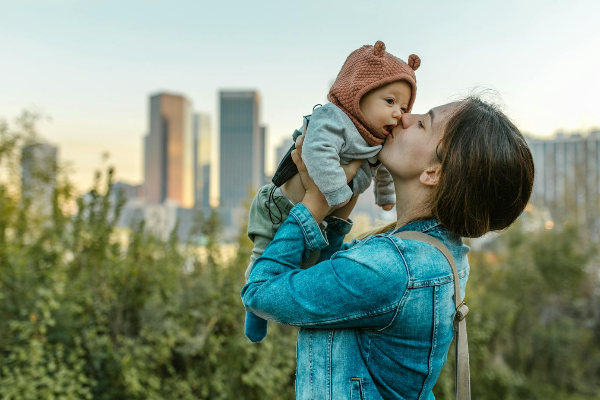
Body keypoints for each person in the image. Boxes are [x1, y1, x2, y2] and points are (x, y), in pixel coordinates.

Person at [241, 96, 535, 399]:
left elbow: (259, 291)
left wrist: (313, 205)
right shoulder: (442, 253)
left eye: (422, 124)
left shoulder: (391, 267)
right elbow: (325, 285)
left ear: (433, 172)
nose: (405, 117)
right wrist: (340, 206)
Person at [244, 40, 421, 342]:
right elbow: (317, 153)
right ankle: (254, 314)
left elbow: (383, 172)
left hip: (322, 216)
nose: (397, 114)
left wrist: (385, 197)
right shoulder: (332, 117)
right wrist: (339, 193)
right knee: (264, 258)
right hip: (282, 207)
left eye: (403, 107)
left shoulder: (376, 141)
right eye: (389, 102)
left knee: (315, 267)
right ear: (358, 93)